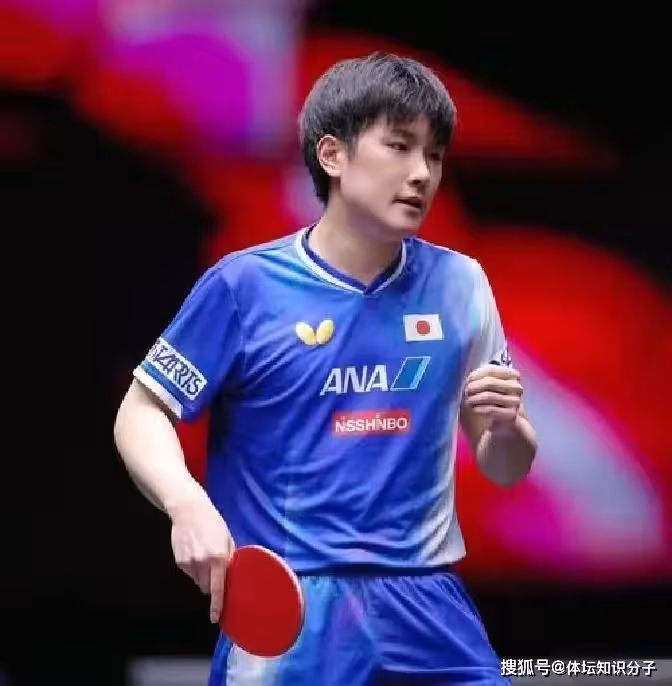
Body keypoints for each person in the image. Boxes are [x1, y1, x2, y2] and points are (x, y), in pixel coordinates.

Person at [114, 52, 538, 685]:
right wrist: (186, 504)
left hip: (427, 600)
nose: (421, 174)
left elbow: (504, 465)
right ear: (333, 155)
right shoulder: (245, 286)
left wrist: (506, 429)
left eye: (434, 155)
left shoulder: (460, 283)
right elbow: (140, 411)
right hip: (295, 605)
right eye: (399, 146)